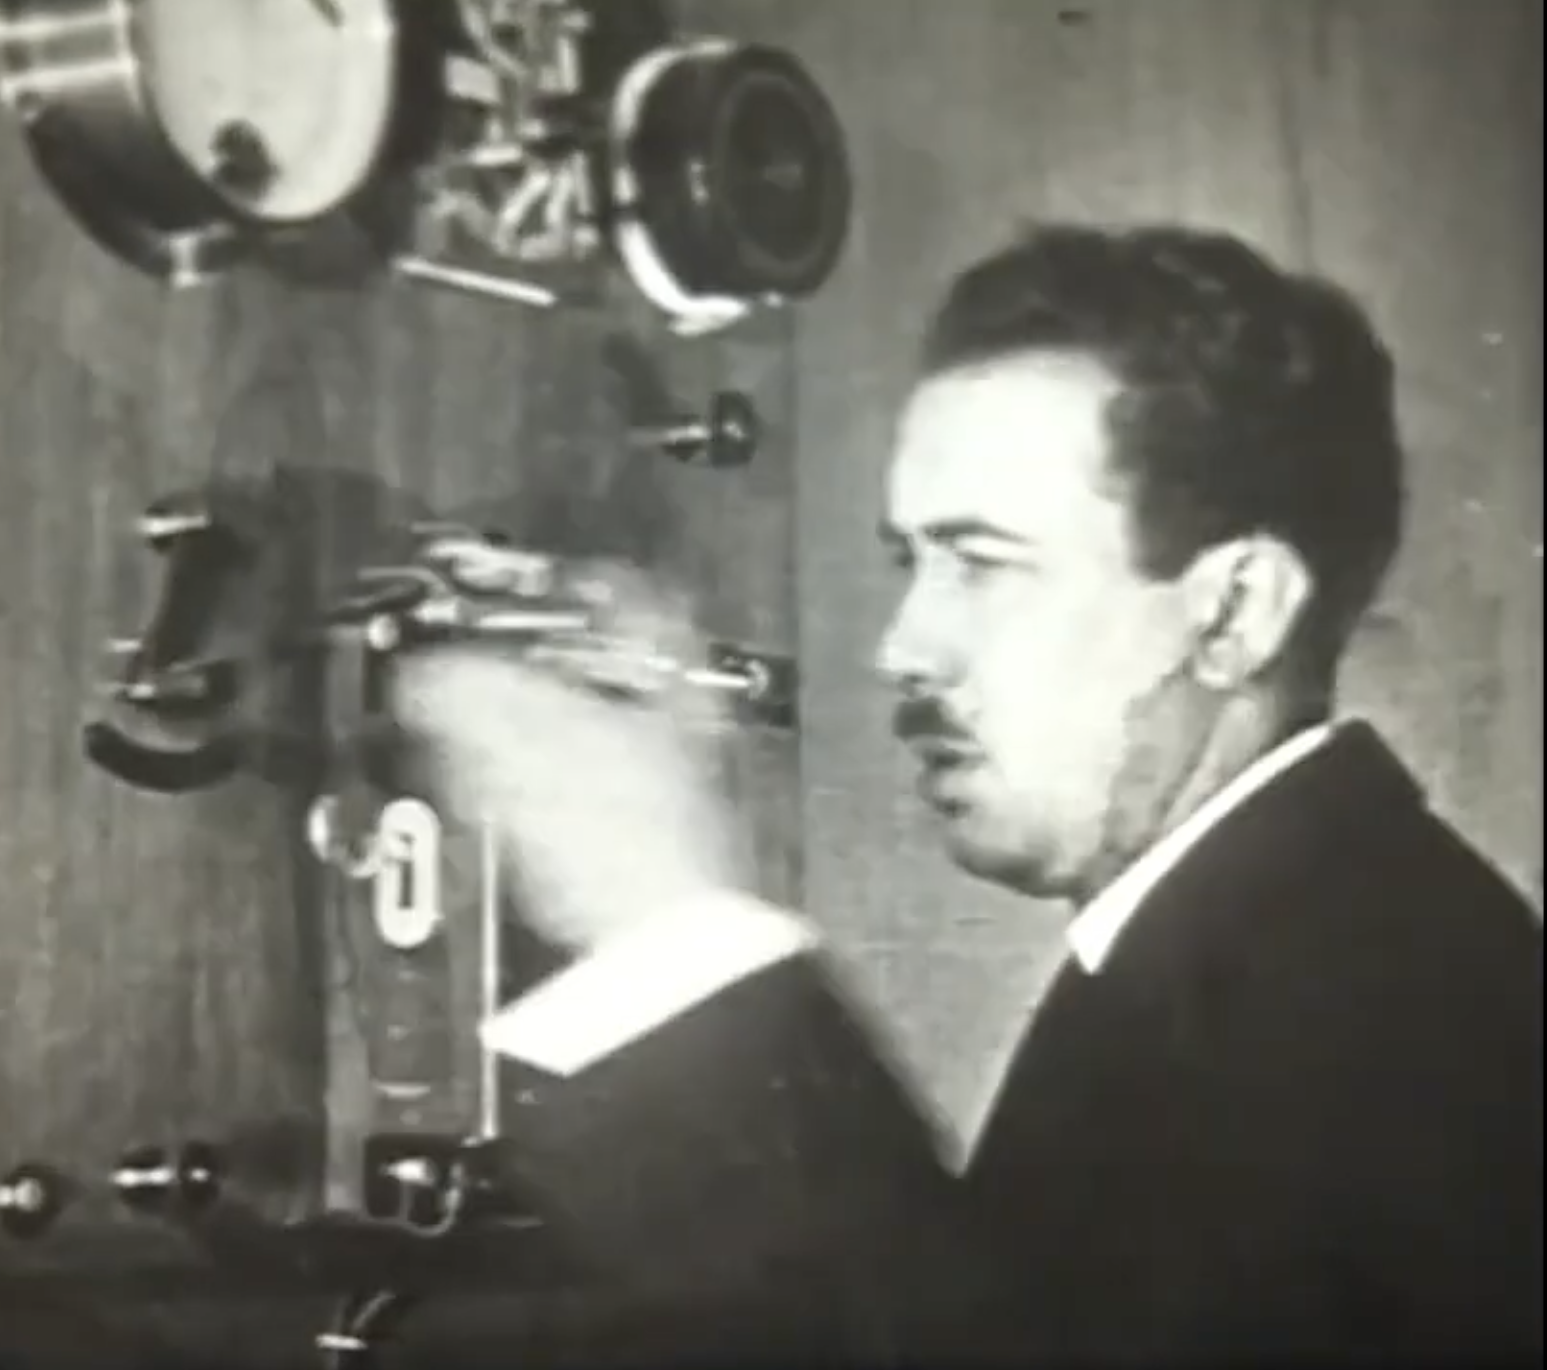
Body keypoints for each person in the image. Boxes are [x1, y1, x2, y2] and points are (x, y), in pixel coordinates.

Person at [380, 224, 1545, 1366]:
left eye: (982, 563)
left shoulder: (1371, 1005)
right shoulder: (1283, 939)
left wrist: (664, 917)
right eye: (910, 562)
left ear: (1233, 610)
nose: (901, 643)